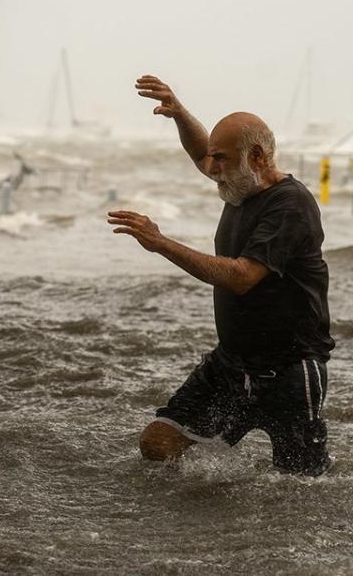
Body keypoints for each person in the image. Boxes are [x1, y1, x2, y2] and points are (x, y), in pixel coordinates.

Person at [107, 75, 335, 476]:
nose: (211, 168)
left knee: (300, 487)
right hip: (230, 365)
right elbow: (202, 153)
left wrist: (161, 243)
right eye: (213, 159)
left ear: (259, 157)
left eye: (222, 159)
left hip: (289, 371)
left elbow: (242, 276)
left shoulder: (290, 205)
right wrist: (179, 114)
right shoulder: (238, 184)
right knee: (159, 443)